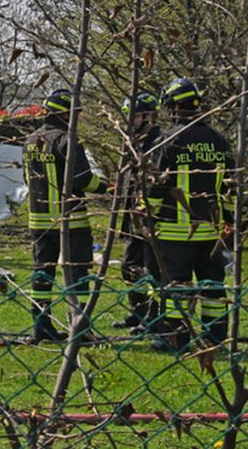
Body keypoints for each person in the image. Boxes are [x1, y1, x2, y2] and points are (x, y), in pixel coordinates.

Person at [146, 78, 234, 352]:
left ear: (172, 107)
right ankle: (216, 338)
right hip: (210, 230)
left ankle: (176, 339)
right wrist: (229, 220)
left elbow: (158, 183)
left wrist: (146, 212)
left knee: (177, 287)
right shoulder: (218, 140)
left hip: (175, 230)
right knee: (213, 287)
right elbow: (230, 185)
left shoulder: (168, 140)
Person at [21, 88, 106, 342]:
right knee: (78, 273)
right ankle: (80, 329)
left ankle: (41, 326)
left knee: (42, 273)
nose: (76, 119)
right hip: (71, 221)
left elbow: (27, 179)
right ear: (65, 113)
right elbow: (81, 180)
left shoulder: (29, 140)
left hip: (39, 220)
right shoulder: (68, 140)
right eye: (75, 114)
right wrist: (106, 187)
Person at [113, 91, 162, 331]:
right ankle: (139, 311)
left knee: (152, 268)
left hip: (151, 215)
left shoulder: (159, 141)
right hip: (133, 213)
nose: (129, 120)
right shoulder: (134, 141)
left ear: (149, 116)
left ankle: (153, 316)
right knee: (130, 265)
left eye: (134, 116)